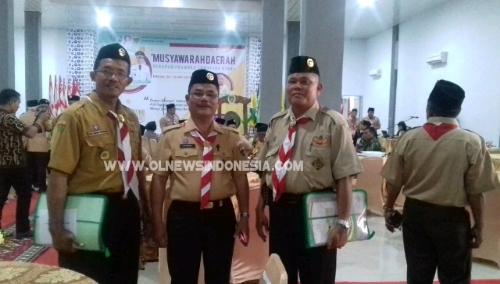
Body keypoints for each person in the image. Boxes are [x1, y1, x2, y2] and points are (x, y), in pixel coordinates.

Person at [47, 43, 150, 284]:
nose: (113, 78)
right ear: (93, 75)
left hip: (126, 211)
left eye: (120, 73)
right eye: (106, 71)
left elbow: (137, 170)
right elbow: (58, 175)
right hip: (89, 209)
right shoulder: (75, 116)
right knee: (87, 276)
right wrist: (56, 227)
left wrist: (144, 211)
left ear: (128, 80)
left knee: (124, 275)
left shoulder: (131, 119)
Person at [255, 56, 363, 284]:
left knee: (317, 276)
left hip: (317, 214)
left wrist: (343, 223)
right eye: (292, 81)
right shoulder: (277, 122)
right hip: (280, 212)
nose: (297, 86)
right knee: (280, 276)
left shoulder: (333, 123)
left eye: (305, 81)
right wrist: (260, 208)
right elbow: (267, 171)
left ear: (319, 88)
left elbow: (346, 177)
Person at [381, 80, 500, 283]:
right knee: (455, 277)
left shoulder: (408, 138)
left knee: (418, 275)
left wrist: (389, 208)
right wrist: (478, 226)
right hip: (452, 221)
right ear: (458, 110)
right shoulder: (472, 142)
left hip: (415, 216)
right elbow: (476, 191)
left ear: (429, 108)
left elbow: (394, 182)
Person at [150, 69, 250, 284]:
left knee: (219, 277)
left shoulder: (231, 138)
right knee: (183, 277)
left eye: (211, 94)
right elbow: (158, 179)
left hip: (221, 217)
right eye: (198, 93)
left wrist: (244, 216)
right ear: (187, 99)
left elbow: (240, 177)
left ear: (217, 101)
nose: (204, 98)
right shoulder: (171, 136)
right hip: (183, 217)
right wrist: (157, 221)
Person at [0, 89, 50, 238]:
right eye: (17, 103)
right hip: (14, 164)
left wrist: (38, 124)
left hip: (2, 164)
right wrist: (40, 120)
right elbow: (30, 133)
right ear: (11, 102)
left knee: (1, 197)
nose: (18, 106)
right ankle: (22, 229)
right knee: (25, 195)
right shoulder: (8, 118)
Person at [19, 98, 53, 192]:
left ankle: (28, 186)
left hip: (28, 144)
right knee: (41, 167)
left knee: (29, 168)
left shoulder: (23, 116)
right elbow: (49, 128)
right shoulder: (42, 116)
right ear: (37, 106)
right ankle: (42, 187)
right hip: (41, 145)